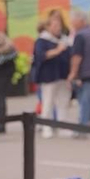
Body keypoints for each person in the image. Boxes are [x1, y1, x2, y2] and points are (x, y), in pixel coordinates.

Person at [32, 10, 73, 138]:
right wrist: (57, 50)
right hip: (48, 76)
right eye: (54, 26)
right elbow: (41, 56)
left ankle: (62, 126)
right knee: (48, 102)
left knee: (63, 102)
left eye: (59, 26)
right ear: (48, 27)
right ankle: (46, 127)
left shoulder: (65, 40)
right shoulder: (42, 40)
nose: (57, 28)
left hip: (63, 75)